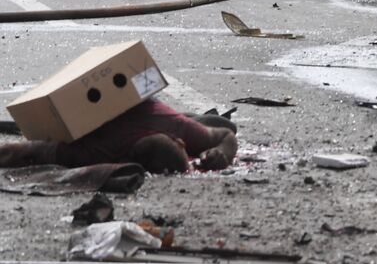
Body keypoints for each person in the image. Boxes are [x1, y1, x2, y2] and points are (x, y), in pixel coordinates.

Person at [0, 98, 237, 174]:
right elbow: (25, 152)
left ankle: (196, 117)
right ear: (180, 142)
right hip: (105, 114)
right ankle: (197, 117)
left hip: (144, 112)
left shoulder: (177, 127)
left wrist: (222, 154)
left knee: (225, 125)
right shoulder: (94, 152)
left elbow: (226, 136)